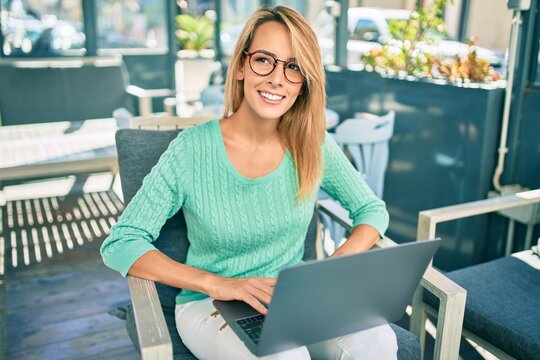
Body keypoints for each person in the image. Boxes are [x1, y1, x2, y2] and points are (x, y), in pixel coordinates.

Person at [101, 5, 397, 360]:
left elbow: (371, 211)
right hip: (211, 304)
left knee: (378, 342)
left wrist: (332, 265)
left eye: (293, 67)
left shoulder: (312, 143)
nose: (277, 79)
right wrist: (218, 283)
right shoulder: (191, 150)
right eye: (264, 60)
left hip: (292, 296)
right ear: (241, 65)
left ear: (304, 81)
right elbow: (121, 243)